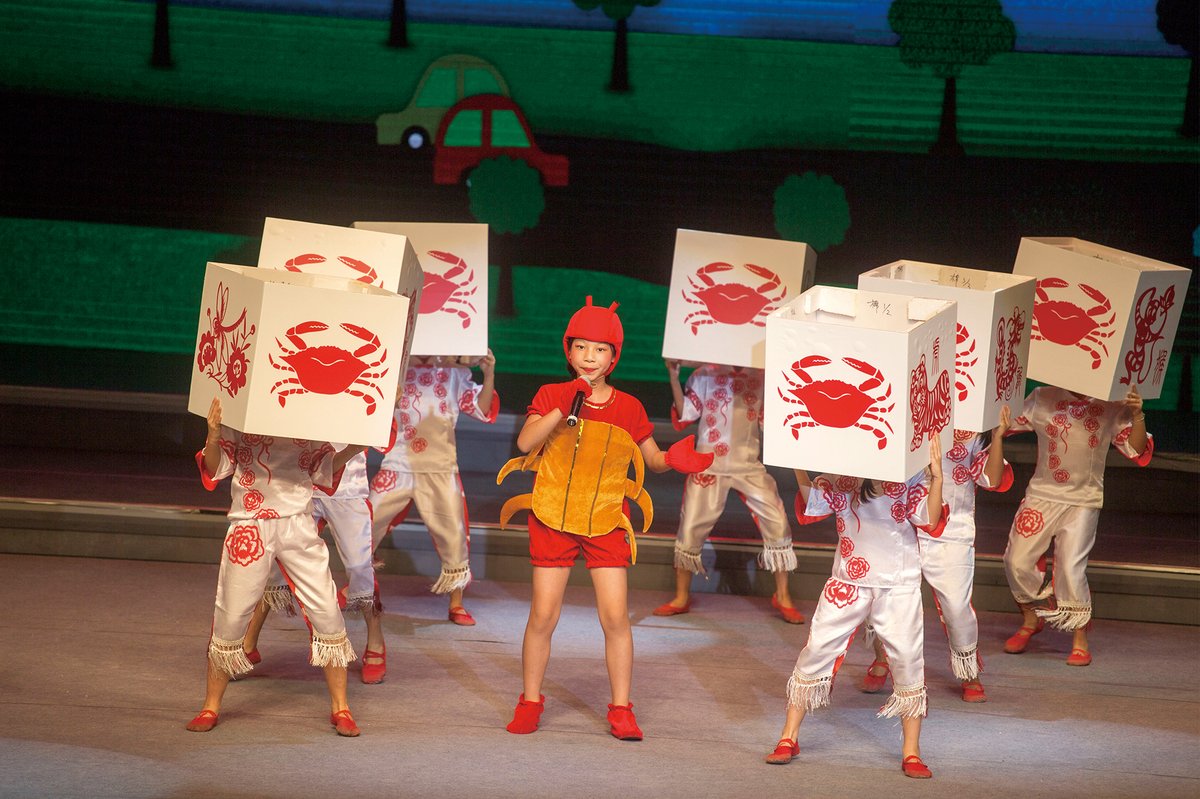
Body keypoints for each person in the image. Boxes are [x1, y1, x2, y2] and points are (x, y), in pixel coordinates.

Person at [504, 297, 713, 740]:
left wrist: (672, 459)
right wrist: (565, 403)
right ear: (569, 351)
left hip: (604, 518)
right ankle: (530, 701)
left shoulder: (630, 407)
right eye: (582, 348)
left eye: (600, 350)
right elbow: (525, 443)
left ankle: (621, 709)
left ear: (614, 357)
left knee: (615, 617)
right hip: (553, 514)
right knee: (543, 615)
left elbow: (651, 459)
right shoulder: (551, 394)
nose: (590, 357)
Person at [185, 398, 365, 737]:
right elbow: (215, 467)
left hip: (297, 523)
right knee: (232, 613)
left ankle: (341, 707)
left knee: (326, 609)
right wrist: (212, 435)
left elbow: (322, 468)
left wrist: (357, 445)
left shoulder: (309, 415)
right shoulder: (242, 415)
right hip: (250, 524)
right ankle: (210, 705)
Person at [765, 438, 944, 779]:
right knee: (816, 650)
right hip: (848, 579)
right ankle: (789, 737)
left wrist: (936, 478)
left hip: (898, 582)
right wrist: (795, 458)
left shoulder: (908, 472)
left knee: (907, 659)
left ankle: (912, 751)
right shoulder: (843, 474)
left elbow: (930, 518)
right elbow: (812, 501)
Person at [859, 408, 1013, 703]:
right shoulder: (906, 407)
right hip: (899, 521)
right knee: (881, 596)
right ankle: (883, 658)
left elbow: (991, 480)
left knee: (956, 605)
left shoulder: (972, 424)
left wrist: (996, 437)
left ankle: (969, 670)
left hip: (951, 528)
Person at [1002, 385, 1151, 666]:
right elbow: (1005, 421)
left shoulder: (1111, 403)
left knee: (1071, 568)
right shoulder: (1043, 397)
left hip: (1083, 499)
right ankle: (1031, 617)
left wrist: (1138, 415)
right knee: (1016, 561)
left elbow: (1137, 449)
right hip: (1042, 495)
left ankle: (1079, 636)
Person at [368, 349, 498, 650]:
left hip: (439, 464)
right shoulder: (395, 365)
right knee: (366, 524)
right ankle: (358, 585)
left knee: (453, 533)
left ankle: (456, 601)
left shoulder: (452, 372)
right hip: (398, 461)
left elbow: (480, 408)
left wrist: (488, 373)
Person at [654, 361, 801, 622]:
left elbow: (772, 423)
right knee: (690, 528)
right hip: (708, 464)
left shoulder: (763, 375)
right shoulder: (706, 373)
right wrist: (674, 376)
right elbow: (686, 413)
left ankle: (783, 594)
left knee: (778, 523)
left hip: (747, 465)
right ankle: (681, 596)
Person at [240, 450, 386, 684]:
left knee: (360, 567)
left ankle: (375, 639)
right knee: (278, 566)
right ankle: (249, 642)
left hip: (348, 487)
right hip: (302, 485)